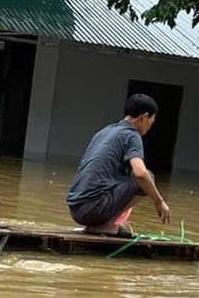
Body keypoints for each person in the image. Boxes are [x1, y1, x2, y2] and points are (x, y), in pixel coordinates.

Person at [66, 94, 172, 234]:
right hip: (93, 210)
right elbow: (140, 174)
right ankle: (108, 225)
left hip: (75, 210)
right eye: (151, 120)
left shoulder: (105, 131)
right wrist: (159, 201)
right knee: (148, 177)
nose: (150, 125)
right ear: (144, 117)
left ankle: (101, 224)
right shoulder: (131, 135)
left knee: (129, 174)